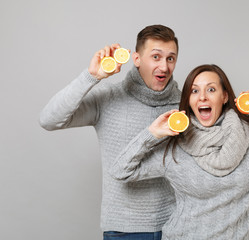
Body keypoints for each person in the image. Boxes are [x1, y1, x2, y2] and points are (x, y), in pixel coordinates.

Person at [109, 64, 249, 239]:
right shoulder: (175, 146)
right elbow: (120, 171)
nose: (202, 97)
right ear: (190, 101)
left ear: (224, 97)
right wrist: (152, 133)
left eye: (211, 89)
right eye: (195, 91)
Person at [39, 25, 181, 240]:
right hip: (124, 230)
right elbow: (48, 119)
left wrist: (246, 110)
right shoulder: (109, 98)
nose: (164, 66)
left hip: (177, 227)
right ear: (137, 59)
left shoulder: (186, 104)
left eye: (171, 58)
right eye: (155, 57)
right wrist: (90, 76)